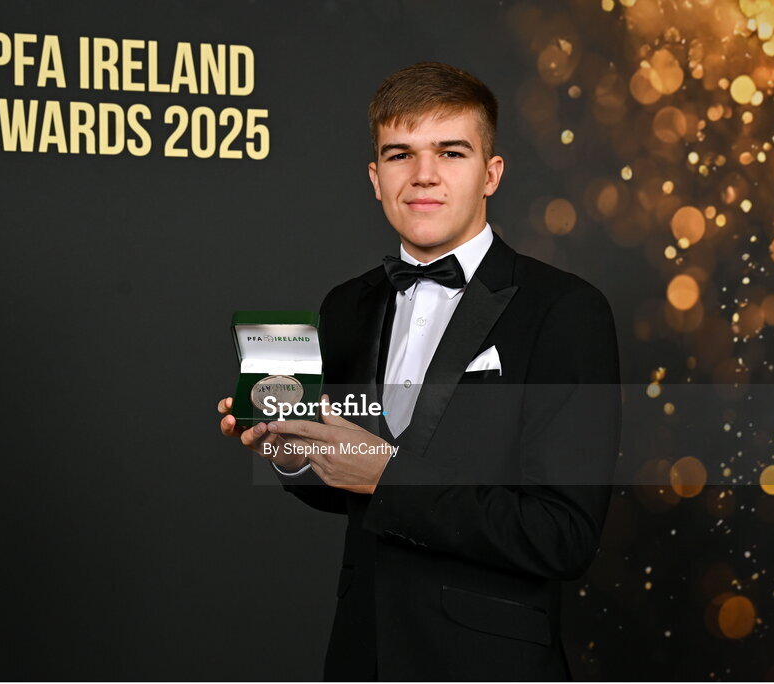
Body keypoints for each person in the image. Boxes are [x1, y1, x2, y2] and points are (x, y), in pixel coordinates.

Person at [217, 62, 621, 681]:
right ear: (376, 179)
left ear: (491, 173)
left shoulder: (566, 310)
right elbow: (342, 484)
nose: (423, 175)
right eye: (400, 154)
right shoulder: (344, 306)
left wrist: (385, 474)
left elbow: (561, 534)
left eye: (450, 152)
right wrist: (290, 447)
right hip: (361, 655)